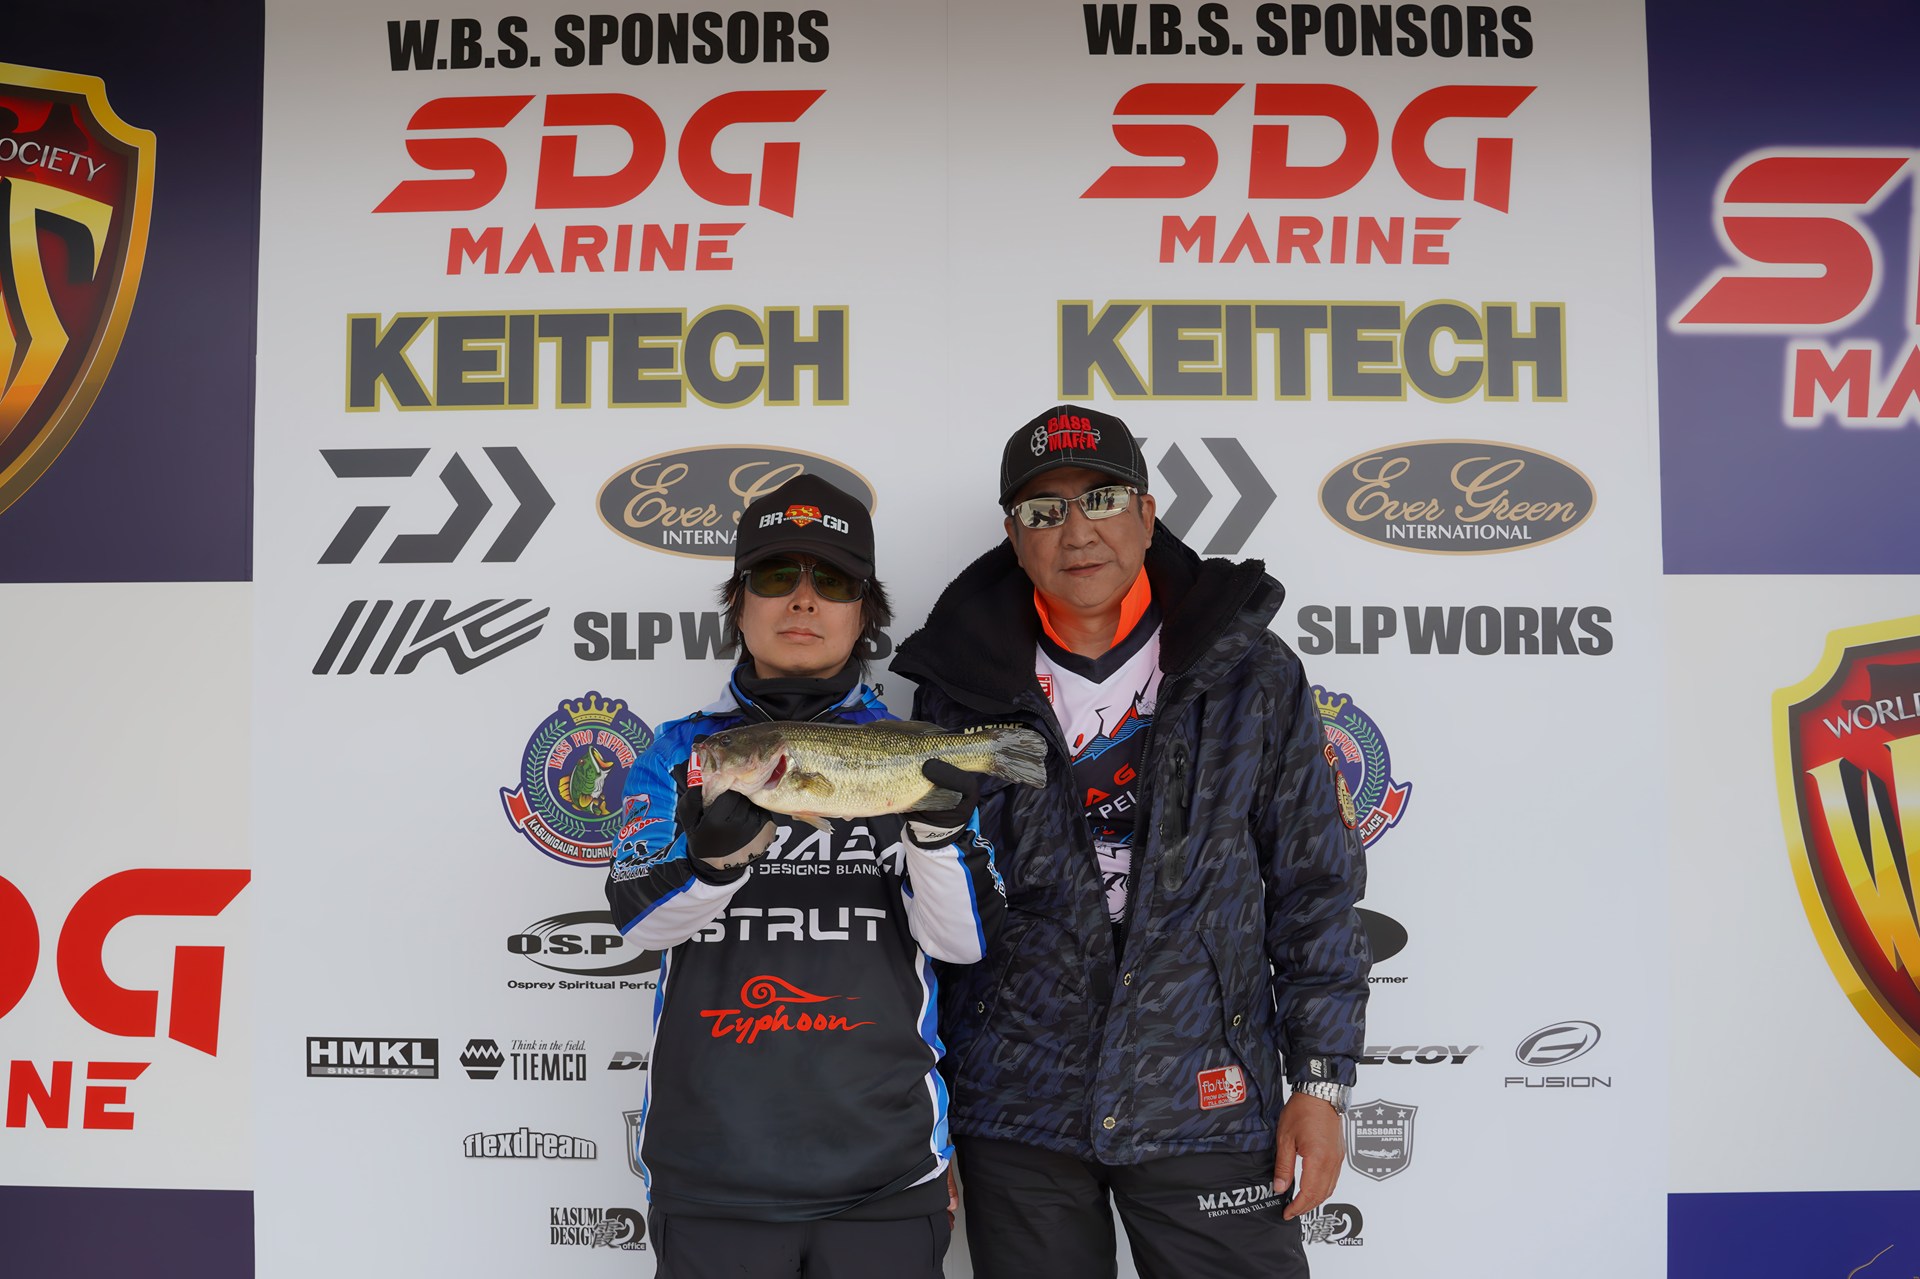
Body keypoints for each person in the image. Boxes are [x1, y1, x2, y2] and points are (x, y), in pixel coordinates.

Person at [892, 405, 1370, 1279]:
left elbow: (1316, 887)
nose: (1077, 531)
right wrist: (924, 1115)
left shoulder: (1250, 672)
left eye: (1103, 499)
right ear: (1015, 537)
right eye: (1044, 510)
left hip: (1206, 1092)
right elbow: (940, 906)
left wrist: (1321, 1081)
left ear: (1148, 516)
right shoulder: (957, 687)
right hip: (1018, 1104)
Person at [606, 473, 1003, 1279]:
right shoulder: (683, 752)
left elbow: (962, 942)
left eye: (835, 582)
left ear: (865, 613)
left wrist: (935, 834)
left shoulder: (912, 749)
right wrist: (711, 865)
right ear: (738, 602)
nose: (803, 600)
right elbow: (639, 922)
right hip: (711, 1173)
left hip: (885, 1173)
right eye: (776, 575)